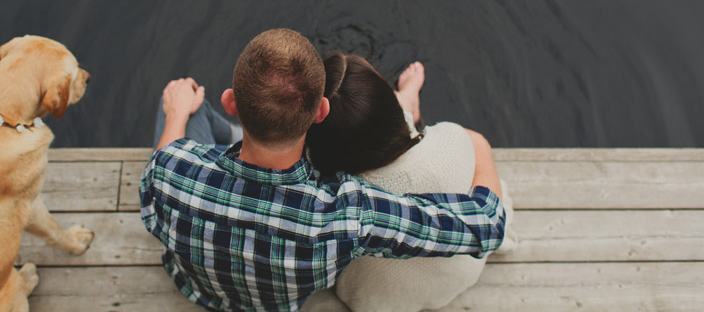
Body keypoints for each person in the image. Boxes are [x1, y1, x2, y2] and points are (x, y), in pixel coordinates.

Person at [139, 29, 506, 311]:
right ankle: (402, 106)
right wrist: (481, 146)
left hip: (198, 291)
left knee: (183, 104)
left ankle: (243, 133)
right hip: (277, 304)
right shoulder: (347, 215)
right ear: (320, 114)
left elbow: (167, 157)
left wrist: (175, 115)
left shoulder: (170, 172)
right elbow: (487, 226)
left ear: (231, 101)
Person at [306, 52, 513, 311]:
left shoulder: (329, 191)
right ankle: (408, 104)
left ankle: (407, 102)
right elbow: (489, 211)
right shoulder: (452, 138)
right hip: (458, 277)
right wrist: (479, 143)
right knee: (480, 173)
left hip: (367, 300)